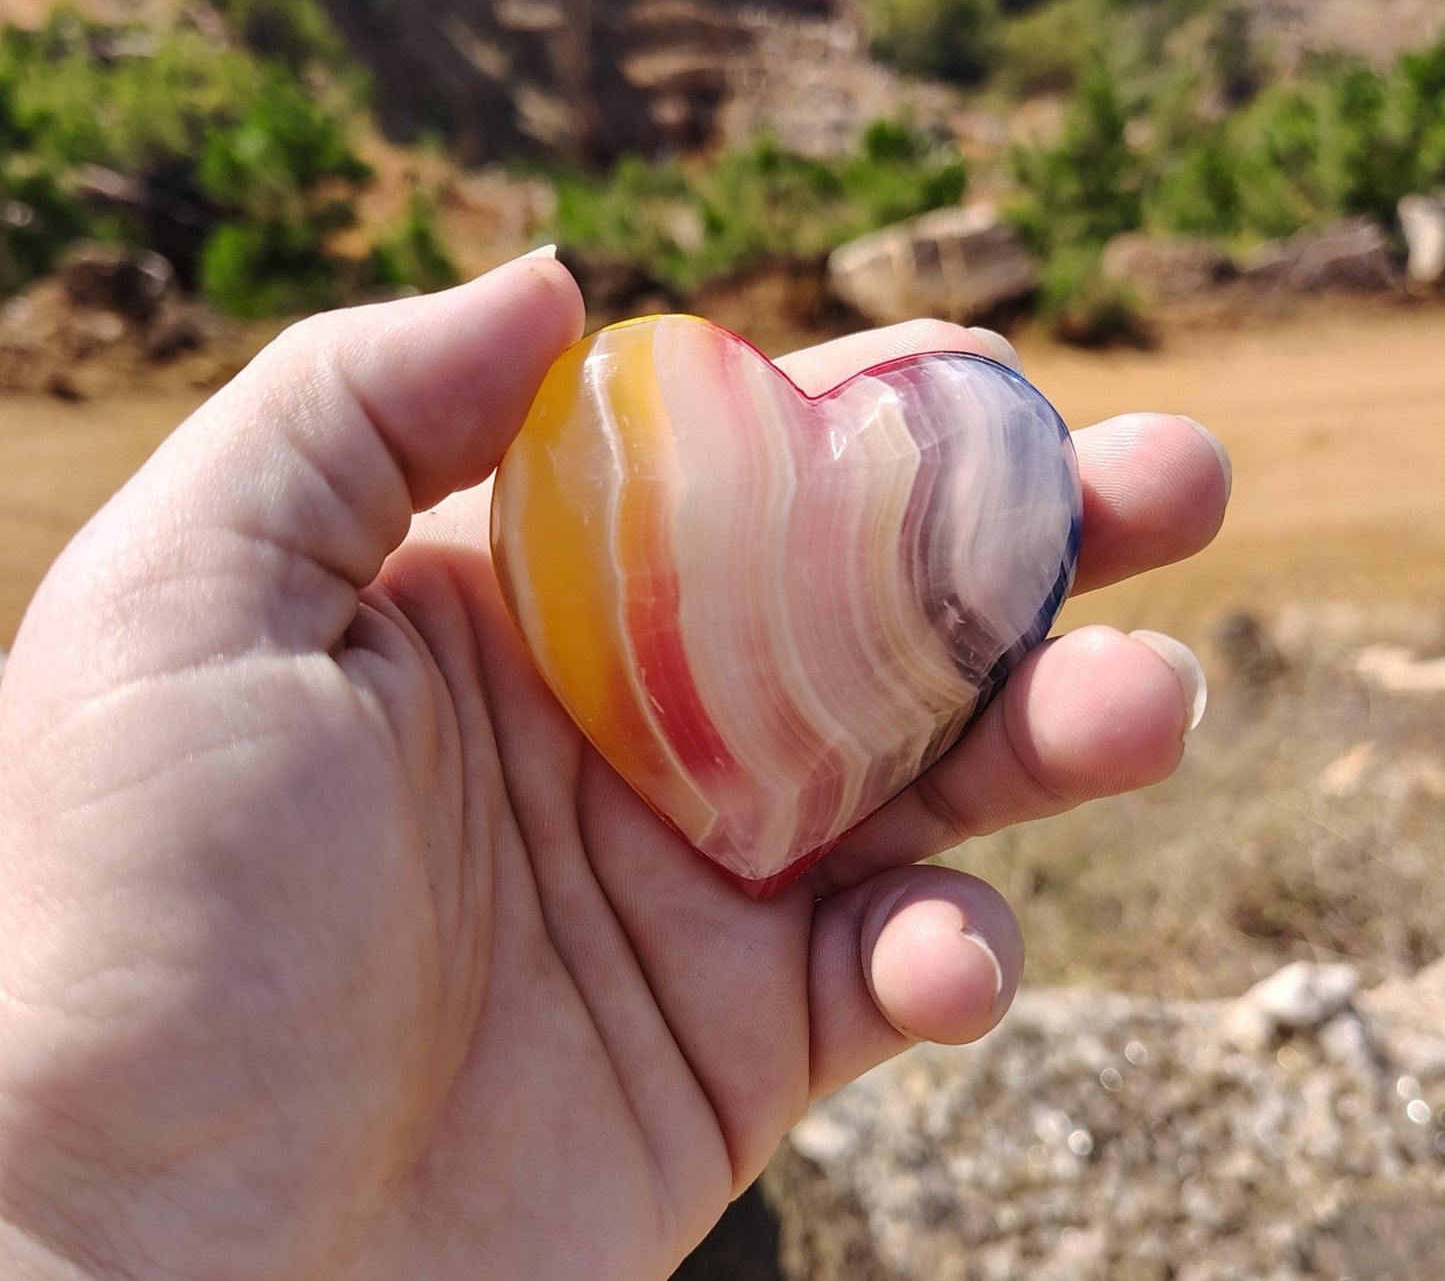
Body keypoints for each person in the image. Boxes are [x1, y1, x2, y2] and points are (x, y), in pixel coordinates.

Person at [0, 251, 1229, 1280]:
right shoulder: (590, 430)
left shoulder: (988, 465)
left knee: (1077, 734)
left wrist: (83, 1218)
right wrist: (62, 1206)